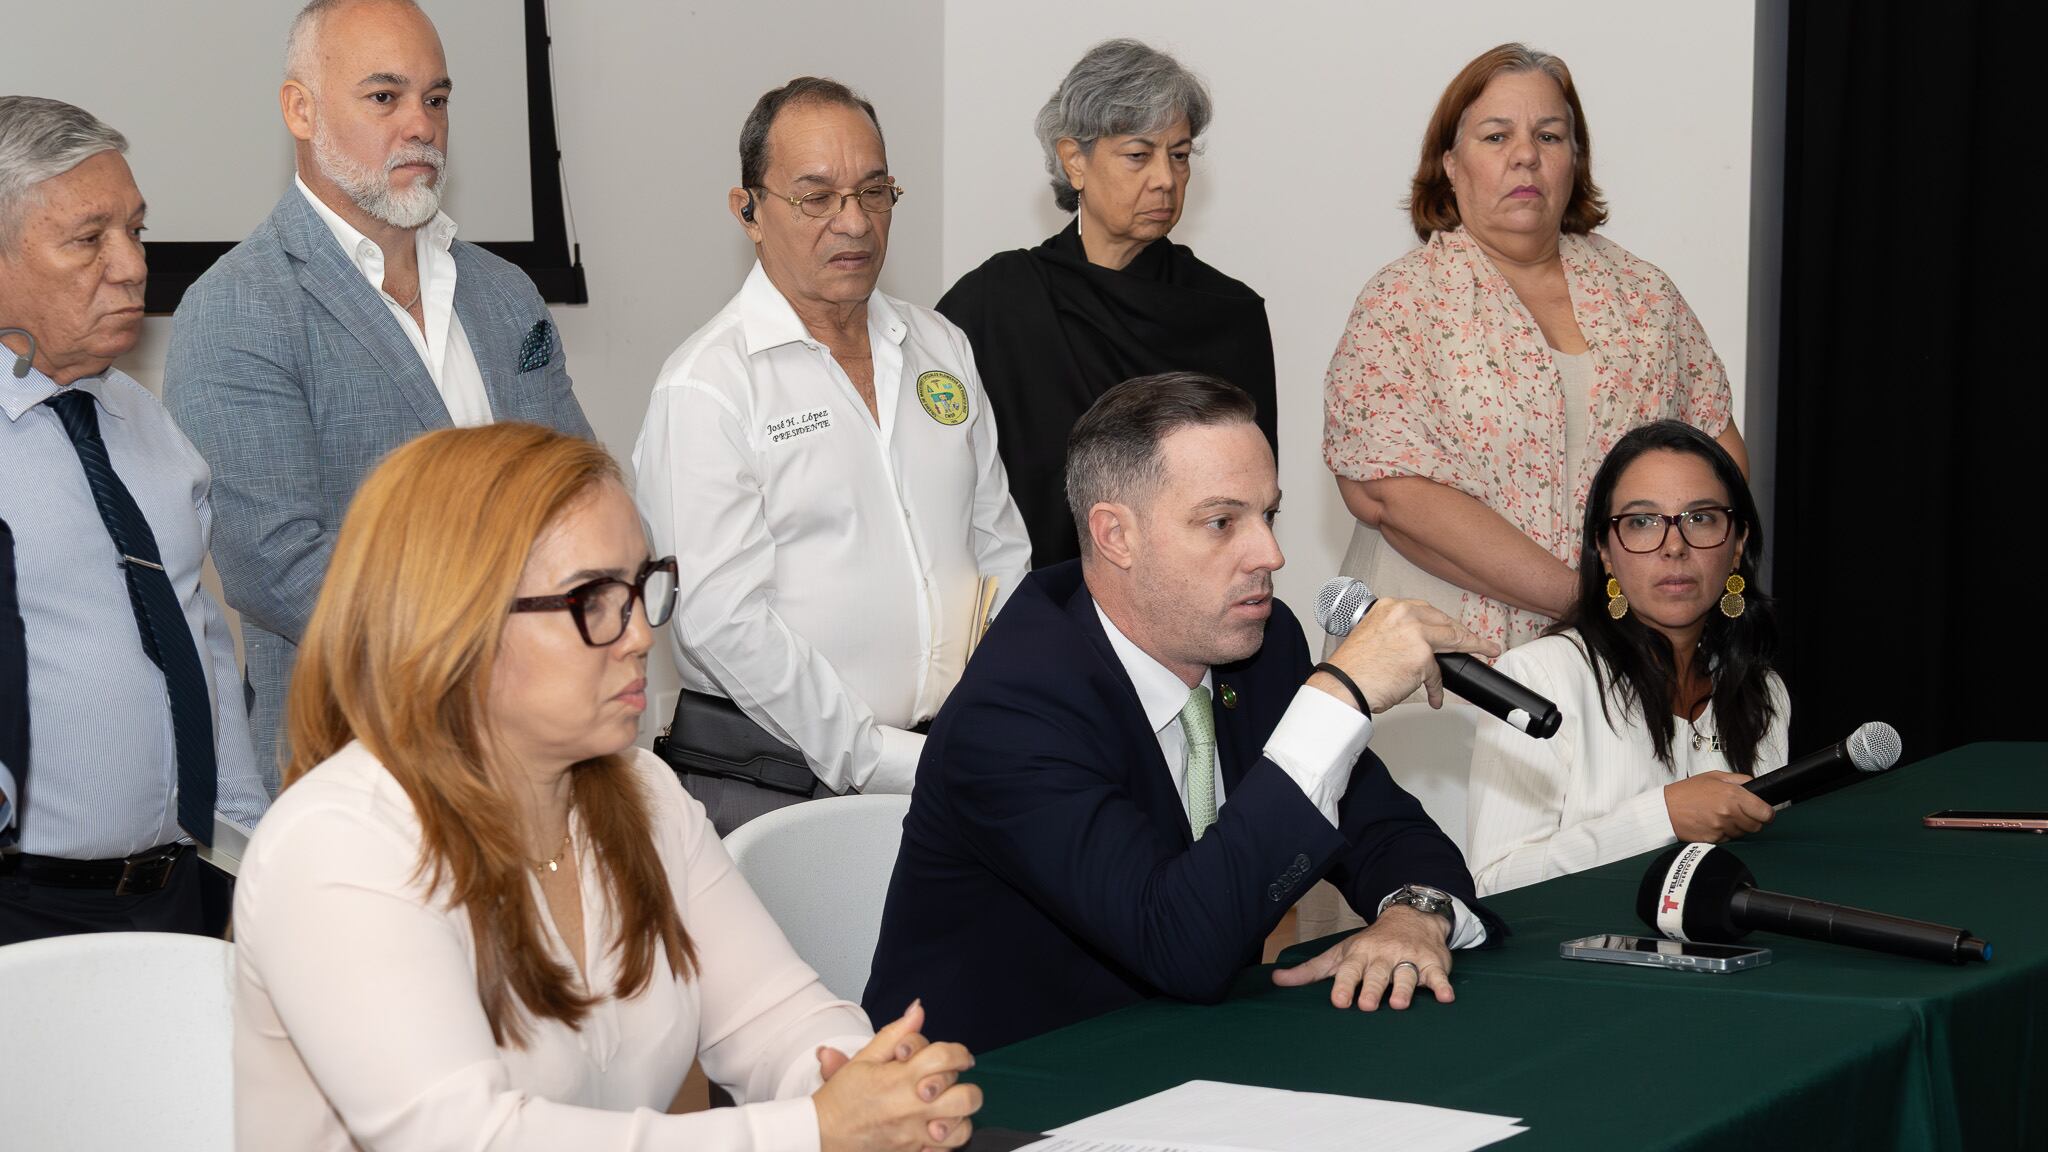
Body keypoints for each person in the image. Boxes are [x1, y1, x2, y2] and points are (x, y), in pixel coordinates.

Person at [233, 423, 982, 1150]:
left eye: (641, 587)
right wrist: (813, 1130)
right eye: (592, 599)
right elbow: (465, 1136)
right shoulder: (337, 842)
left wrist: (872, 1085)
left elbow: (775, 1018)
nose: (640, 635)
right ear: (457, 621)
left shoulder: (643, 791)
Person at [864, 373, 1505, 1054]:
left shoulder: (1261, 645)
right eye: (1222, 522)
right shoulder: (1014, 708)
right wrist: (1338, 698)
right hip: (995, 1089)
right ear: (1116, 536)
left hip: (1193, 1055)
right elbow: (1179, 944)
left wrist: (1415, 912)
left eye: (1270, 515)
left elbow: (1384, 829)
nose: (1270, 555)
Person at [1306, 45, 1747, 930]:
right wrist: (1590, 599)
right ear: (1449, 161)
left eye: (1550, 134)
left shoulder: (1644, 295)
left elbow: (1719, 460)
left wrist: (1660, 596)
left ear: (1575, 159)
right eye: (1496, 134)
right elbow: (1388, 490)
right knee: (1433, 920)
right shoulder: (1404, 301)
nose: (1525, 156)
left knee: (1613, 912)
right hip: (1444, 682)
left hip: (1633, 674)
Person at [164, 0, 592, 784]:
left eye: (437, 98)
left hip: (541, 750)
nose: (421, 125)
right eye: (384, 97)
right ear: (301, 108)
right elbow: (279, 568)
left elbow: (578, 490)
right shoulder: (236, 309)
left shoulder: (503, 294)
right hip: (357, 767)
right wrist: (497, 654)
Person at [634, 77, 1030, 834]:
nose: (855, 222)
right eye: (817, 197)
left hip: (950, 765)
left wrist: (982, 716)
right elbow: (720, 621)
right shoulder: (710, 384)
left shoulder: (939, 346)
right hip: (774, 786)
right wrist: (875, 755)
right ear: (748, 211)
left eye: (875, 192)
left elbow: (998, 549)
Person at [0, 97, 266, 944]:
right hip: (22, 908)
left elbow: (198, 641)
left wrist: (256, 847)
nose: (130, 266)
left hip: (175, 892)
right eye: (88, 239)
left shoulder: (147, 427)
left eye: (136, 231)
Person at [939, 39, 1277, 568]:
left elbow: (1252, 499)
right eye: (1139, 155)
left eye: (1180, 155)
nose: (1166, 179)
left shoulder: (1227, 315)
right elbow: (942, 488)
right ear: (1075, 161)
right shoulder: (994, 303)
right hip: (1030, 610)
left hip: (1188, 617)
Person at [1467, 421, 1785, 894]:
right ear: (1605, 551)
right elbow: (1493, 882)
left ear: (1737, 543)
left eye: (1701, 518)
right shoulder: (1539, 676)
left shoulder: (1764, 690)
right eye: (1641, 522)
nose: (1674, 546)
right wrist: (1662, 817)